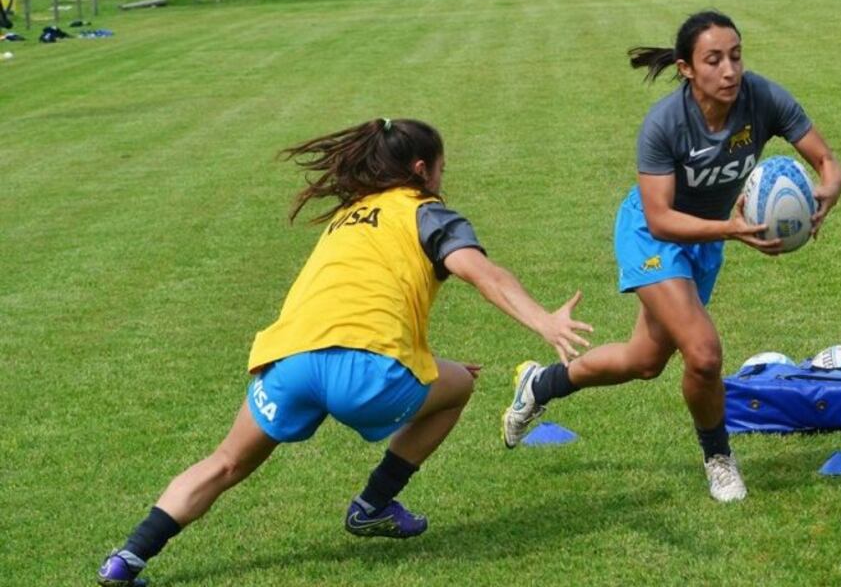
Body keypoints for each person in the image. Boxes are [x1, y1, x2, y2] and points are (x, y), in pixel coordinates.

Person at [97, 118, 593, 586]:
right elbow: (480, 271)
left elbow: (354, 303)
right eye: (443, 166)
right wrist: (543, 320)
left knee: (225, 463)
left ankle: (127, 557)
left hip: (289, 363)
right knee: (459, 385)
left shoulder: (346, 216)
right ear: (421, 170)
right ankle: (374, 505)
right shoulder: (426, 211)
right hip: (366, 375)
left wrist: (423, 365)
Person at [502, 10, 841, 502]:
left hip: (705, 239)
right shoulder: (665, 123)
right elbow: (661, 217)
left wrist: (828, 191)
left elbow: (826, 161)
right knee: (703, 354)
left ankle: (542, 384)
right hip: (651, 235)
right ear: (687, 68)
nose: (729, 70)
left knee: (644, 361)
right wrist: (730, 228)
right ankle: (719, 457)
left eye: (736, 56)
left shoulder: (763, 97)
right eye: (714, 60)